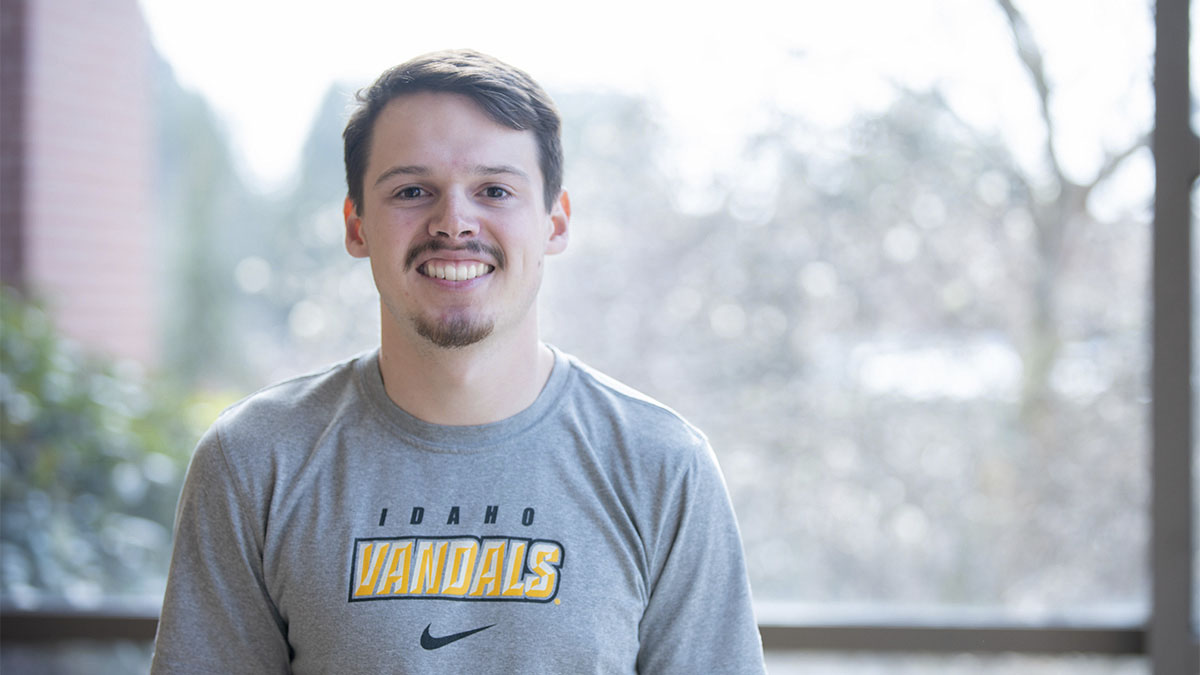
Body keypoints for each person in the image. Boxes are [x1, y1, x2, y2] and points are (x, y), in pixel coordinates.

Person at [150, 49, 766, 674]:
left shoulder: (662, 466)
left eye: (494, 190)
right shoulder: (256, 460)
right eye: (412, 191)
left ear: (554, 222)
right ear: (356, 226)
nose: (454, 223)